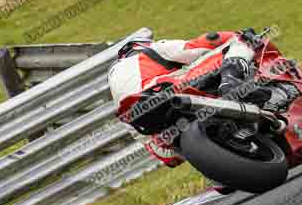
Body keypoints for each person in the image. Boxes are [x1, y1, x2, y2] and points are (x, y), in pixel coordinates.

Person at [108, 29, 262, 171]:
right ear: (141, 45)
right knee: (240, 43)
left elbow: (167, 157)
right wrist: (233, 35)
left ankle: (215, 168)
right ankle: (230, 81)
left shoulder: (118, 97)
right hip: (170, 89)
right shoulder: (151, 50)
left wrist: (186, 151)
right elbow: (199, 45)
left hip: (156, 124)